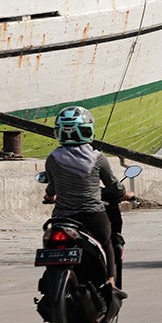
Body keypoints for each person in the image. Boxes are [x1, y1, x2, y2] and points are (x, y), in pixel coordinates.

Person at [42, 106, 131, 296]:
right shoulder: (98, 158)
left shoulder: (52, 159)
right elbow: (114, 187)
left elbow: (52, 187)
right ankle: (110, 284)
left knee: (50, 245)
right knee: (108, 243)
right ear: (87, 129)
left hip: (62, 217)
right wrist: (126, 194)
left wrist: (49, 197)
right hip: (93, 216)